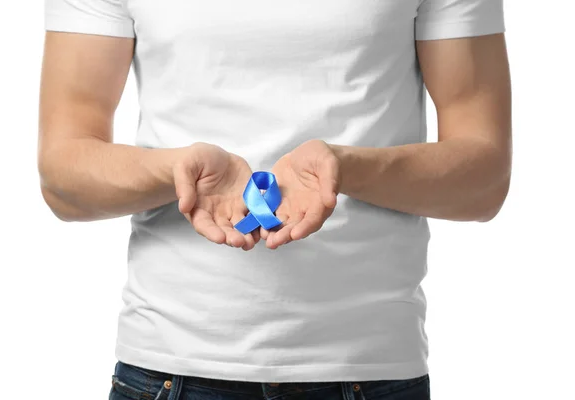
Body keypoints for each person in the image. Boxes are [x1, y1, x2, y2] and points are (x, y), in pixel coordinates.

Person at [38, 0, 511, 399]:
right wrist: (175, 172)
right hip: (170, 367)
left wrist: (345, 169)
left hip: (370, 367)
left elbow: (484, 180)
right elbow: (63, 179)